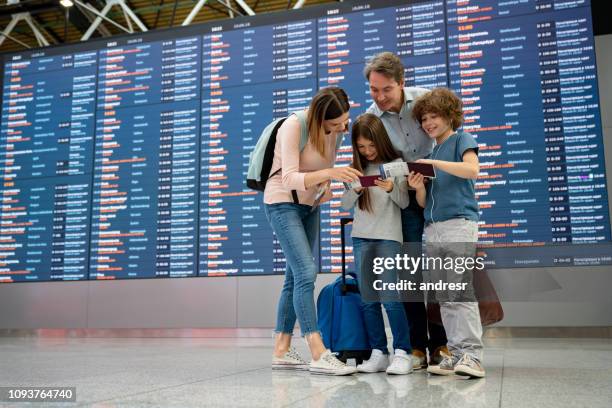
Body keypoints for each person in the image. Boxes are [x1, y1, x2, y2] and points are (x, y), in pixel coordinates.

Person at [264, 87, 363, 376]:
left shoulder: (339, 129)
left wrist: (328, 185)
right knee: (307, 272)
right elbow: (290, 177)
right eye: (334, 125)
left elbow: (321, 170)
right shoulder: (294, 125)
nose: (342, 128)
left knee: (294, 276)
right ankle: (318, 351)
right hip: (281, 202)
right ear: (319, 119)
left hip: (310, 205)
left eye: (345, 121)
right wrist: (330, 174)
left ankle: (281, 350)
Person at [365, 51, 448, 369]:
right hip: (405, 197)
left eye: (386, 89)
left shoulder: (426, 100)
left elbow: (449, 135)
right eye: (374, 89)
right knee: (411, 271)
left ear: (402, 82)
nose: (380, 97)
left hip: (439, 190)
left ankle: (440, 345)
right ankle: (416, 347)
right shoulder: (372, 118)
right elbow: (374, 161)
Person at [407, 87, 485, 378]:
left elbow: (472, 170)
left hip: (459, 224)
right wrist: (417, 187)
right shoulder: (431, 152)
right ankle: (455, 352)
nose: (428, 123)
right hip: (434, 228)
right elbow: (425, 202)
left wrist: (434, 164)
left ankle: (472, 356)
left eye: (434, 116)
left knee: (458, 290)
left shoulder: (461, 139)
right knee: (444, 295)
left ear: (450, 115)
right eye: (424, 118)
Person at [341, 113, 413, 375]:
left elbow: (405, 203)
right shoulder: (355, 170)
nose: (367, 151)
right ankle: (378, 352)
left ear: (380, 140)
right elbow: (343, 205)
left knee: (390, 297)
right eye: (361, 147)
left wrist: (392, 187)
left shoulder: (395, 165)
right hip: (361, 237)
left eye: (371, 146)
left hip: (388, 238)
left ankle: (403, 351)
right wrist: (355, 190)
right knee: (369, 300)